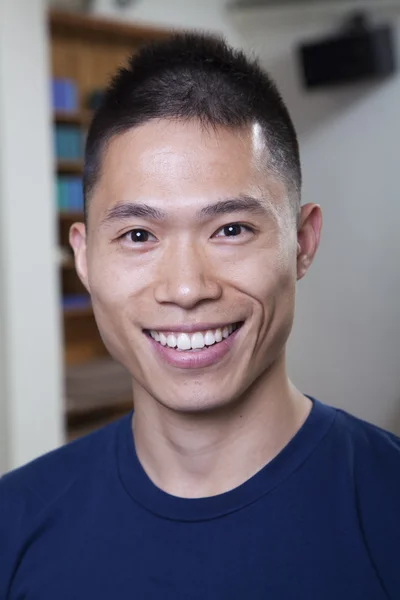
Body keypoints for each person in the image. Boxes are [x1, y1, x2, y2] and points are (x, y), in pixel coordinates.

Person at [0, 32, 399, 599]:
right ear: (86, 258)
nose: (186, 288)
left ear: (303, 243)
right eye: (138, 235)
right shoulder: (13, 523)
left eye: (231, 230)